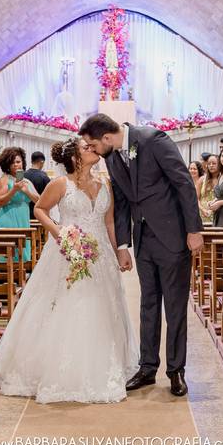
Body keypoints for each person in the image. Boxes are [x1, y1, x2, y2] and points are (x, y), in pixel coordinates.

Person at [0, 138, 138, 403]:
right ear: (74, 157)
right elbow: (40, 208)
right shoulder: (60, 184)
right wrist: (59, 232)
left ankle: (101, 365)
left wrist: (120, 250)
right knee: (71, 303)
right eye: (86, 148)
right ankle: (64, 369)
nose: (92, 149)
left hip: (101, 254)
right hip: (68, 250)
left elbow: (108, 222)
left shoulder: (105, 183)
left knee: (102, 307)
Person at [80, 114, 203, 397]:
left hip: (173, 236)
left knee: (174, 307)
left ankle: (176, 370)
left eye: (93, 145)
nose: (93, 150)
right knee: (148, 305)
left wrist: (194, 230)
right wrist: (123, 245)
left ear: (106, 137)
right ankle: (148, 367)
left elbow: (183, 182)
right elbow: (122, 201)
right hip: (144, 240)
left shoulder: (153, 140)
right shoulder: (112, 157)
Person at [0, 147, 39, 262]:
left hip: (23, 219)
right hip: (8, 218)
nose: (15, 165)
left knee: (23, 253)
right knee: (10, 253)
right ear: (7, 164)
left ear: (23, 162)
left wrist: (26, 191)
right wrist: (14, 189)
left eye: (18, 162)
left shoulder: (26, 181)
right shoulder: (4, 180)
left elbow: (39, 201)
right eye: (12, 162)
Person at [24, 151, 51, 218]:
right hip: (39, 215)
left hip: (24, 213)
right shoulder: (44, 177)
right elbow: (49, 200)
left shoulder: (22, 175)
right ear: (42, 162)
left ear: (31, 161)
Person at [197, 155, 219, 224]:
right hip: (202, 214)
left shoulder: (222, 179)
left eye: (214, 163)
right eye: (209, 164)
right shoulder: (202, 179)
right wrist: (202, 209)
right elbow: (196, 198)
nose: (211, 165)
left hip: (218, 214)